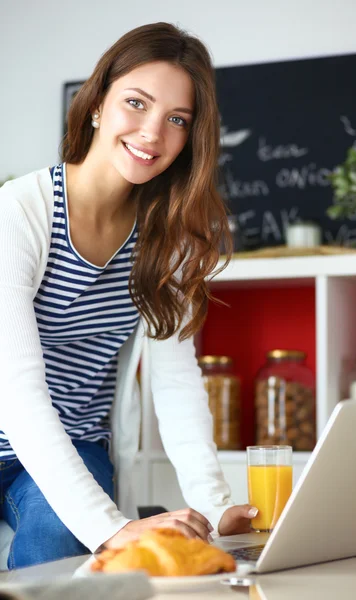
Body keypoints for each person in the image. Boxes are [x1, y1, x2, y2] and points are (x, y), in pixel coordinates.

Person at [0, 22, 258, 570]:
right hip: (18, 421)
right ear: (96, 105)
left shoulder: (168, 238)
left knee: (57, 548)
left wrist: (216, 507)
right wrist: (112, 528)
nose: (151, 133)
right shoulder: (18, 213)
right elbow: (16, 390)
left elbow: (177, 382)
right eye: (135, 103)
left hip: (72, 447)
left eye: (177, 120)